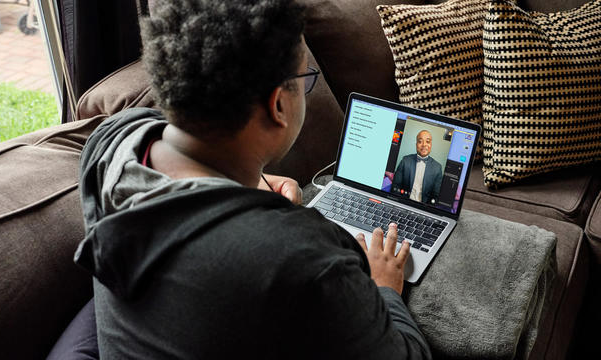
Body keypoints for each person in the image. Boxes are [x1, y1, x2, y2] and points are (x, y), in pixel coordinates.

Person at [74, 1, 431, 359]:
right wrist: (384, 288)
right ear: (278, 105)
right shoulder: (304, 258)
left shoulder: (112, 143)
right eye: (305, 79)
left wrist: (243, 189)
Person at [392, 130, 443, 204]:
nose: (424, 145)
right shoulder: (405, 160)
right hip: (403, 203)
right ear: (416, 144)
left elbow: (436, 195)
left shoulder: (437, 167)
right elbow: (395, 186)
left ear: (431, 145)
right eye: (420, 141)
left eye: (428, 142)